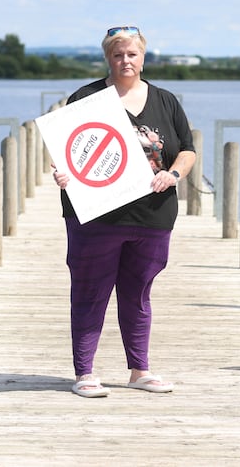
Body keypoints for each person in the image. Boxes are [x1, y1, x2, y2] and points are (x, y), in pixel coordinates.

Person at [52, 26, 196, 398]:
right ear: (108, 58)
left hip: (152, 214)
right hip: (96, 217)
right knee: (89, 292)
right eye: (118, 55)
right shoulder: (86, 98)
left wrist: (173, 172)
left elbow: (187, 150)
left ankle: (139, 370)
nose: (125, 61)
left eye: (132, 54)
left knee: (138, 294)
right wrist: (63, 172)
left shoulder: (166, 101)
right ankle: (85, 373)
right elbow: (67, 150)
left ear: (143, 57)